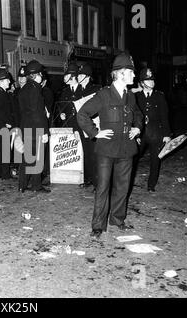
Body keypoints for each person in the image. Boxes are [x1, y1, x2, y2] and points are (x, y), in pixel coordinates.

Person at [77, 53, 143, 239]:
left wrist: (137, 128)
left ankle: (117, 219)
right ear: (121, 73)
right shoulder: (104, 95)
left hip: (127, 149)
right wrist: (95, 132)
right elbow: (82, 114)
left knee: (123, 187)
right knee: (103, 187)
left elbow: (138, 115)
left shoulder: (130, 96)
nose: (134, 76)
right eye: (131, 72)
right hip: (106, 150)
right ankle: (98, 226)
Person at [135, 68, 172, 191]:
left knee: (155, 160)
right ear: (141, 82)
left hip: (156, 133)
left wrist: (166, 134)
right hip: (140, 134)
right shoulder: (136, 96)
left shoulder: (159, 96)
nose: (151, 82)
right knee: (133, 157)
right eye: (148, 80)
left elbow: (164, 117)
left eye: (152, 80)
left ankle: (151, 185)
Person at [18, 60, 50, 193]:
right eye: (40, 74)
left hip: (26, 128)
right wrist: (43, 132)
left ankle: (22, 185)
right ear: (35, 75)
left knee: (27, 158)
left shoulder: (23, 89)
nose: (42, 76)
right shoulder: (36, 90)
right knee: (37, 158)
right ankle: (36, 185)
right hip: (36, 129)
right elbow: (37, 113)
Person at [77, 64, 102, 188]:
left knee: (94, 154)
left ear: (87, 77)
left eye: (81, 75)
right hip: (81, 126)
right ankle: (87, 178)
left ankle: (96, 181)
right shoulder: (77, 90)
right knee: (85, 153)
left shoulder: (96, 89)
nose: (78, 77)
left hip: (92, 126)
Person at [54, 63, 81, 128]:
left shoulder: (82, 89)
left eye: (66, 75)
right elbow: (61, 105)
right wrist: (62, 113)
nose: (64, 77)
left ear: (73, 76)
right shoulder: (64, 91)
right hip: (68, 124)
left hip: (80, 124)